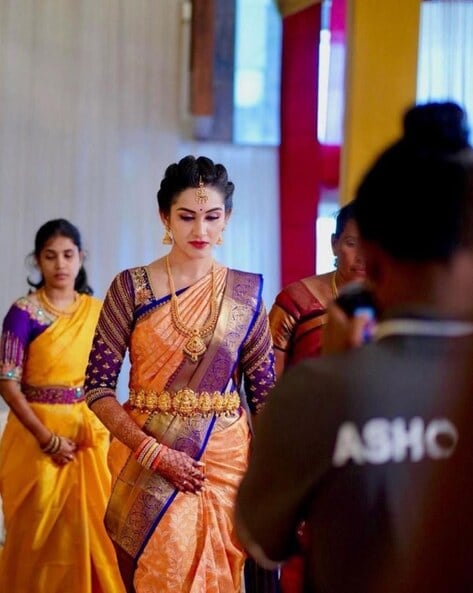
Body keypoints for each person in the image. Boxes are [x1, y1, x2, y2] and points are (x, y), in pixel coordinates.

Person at [235, 101, 473, 593]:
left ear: (374, 258)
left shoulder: (319, 391)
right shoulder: (297, 309)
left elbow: (261, 540)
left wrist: (338, 383)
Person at [83, 155, 276, 593]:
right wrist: (156, 454)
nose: (200, 231)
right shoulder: (130, 287)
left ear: (227, 219)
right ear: (164, 217)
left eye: (212, 217)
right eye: (187, 217)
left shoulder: (245, 295)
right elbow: (96, 388)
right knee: (162, 572)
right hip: (148, 457)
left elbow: (266, 397)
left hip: (226, 461)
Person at [0, 219, 125, 593]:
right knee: (37, 532)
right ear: (37, 261)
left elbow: (107, 377)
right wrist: (46, 438)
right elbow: (7, 382)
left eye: (68, 255)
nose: (60, 264)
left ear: (80, 258)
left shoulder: (97, 311)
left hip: (90, 437)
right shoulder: (23, 313)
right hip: (33, 437)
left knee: (98, 528)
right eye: (50, 256)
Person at [269, 202, 366, 592]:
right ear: (334, 243)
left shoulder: (399, 306)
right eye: (352, 243)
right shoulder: (298, 300)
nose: (362, 256)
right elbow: (265, 391)